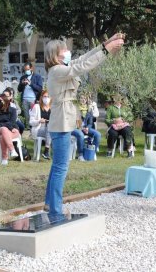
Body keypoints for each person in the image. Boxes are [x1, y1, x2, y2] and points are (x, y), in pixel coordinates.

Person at [43, 33, 124, 217]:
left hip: (63, 119)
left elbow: (83, 58)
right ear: (56, 55)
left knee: (57, 166)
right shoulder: (57, 71)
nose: (68, 51)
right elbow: (82, 66)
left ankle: (50, 204)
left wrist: (105, 44)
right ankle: (55, 210)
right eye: (64, 49)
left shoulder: (62, 68)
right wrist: (107, 51)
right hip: (61, 122)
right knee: (60, 167)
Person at [0, 94, 20, 165]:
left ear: (5, 101)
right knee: (4, 129)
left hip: (13, 131)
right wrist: (3, 126)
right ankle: (12, 149)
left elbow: (12, 122)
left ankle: (5, 159)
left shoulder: (13, 110)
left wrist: (1, 125)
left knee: (3, 137)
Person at [105, 93, 135, 158]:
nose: (118, 100)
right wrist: (113, 121)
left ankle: (129, 150)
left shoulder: (125, 108)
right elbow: (107, 119)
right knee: (112, 134)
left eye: (119, 99)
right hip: (114, 126)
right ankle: (110, 150)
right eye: (116, 99)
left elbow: (131, 117)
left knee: (127, 131)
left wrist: (125, 120)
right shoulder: (110, 108)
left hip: (124, 125)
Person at [17, 62, 43, 128]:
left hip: (33, 99)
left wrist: (31, 84)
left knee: (33, 115)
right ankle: (28, 128)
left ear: (31, 68)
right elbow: (19, 89)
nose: (26, 71)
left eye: (27, 69)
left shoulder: (37, 77)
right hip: (25, 99)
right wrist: (22, 84)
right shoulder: (23, 77)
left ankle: (33, 128)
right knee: (27, 115)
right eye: (25, 70)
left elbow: (40, 88)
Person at [29, 90, 52, 159]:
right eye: (45, 96)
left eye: (48, 97)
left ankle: (47, 151)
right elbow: (31, 121)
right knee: (50, 128)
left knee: (50, 127)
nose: (46, 98)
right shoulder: (37, 107)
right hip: (39, 128)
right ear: (41, 97)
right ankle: (46, 151)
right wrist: (39, 121)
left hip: (50, 129)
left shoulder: (53, 107)